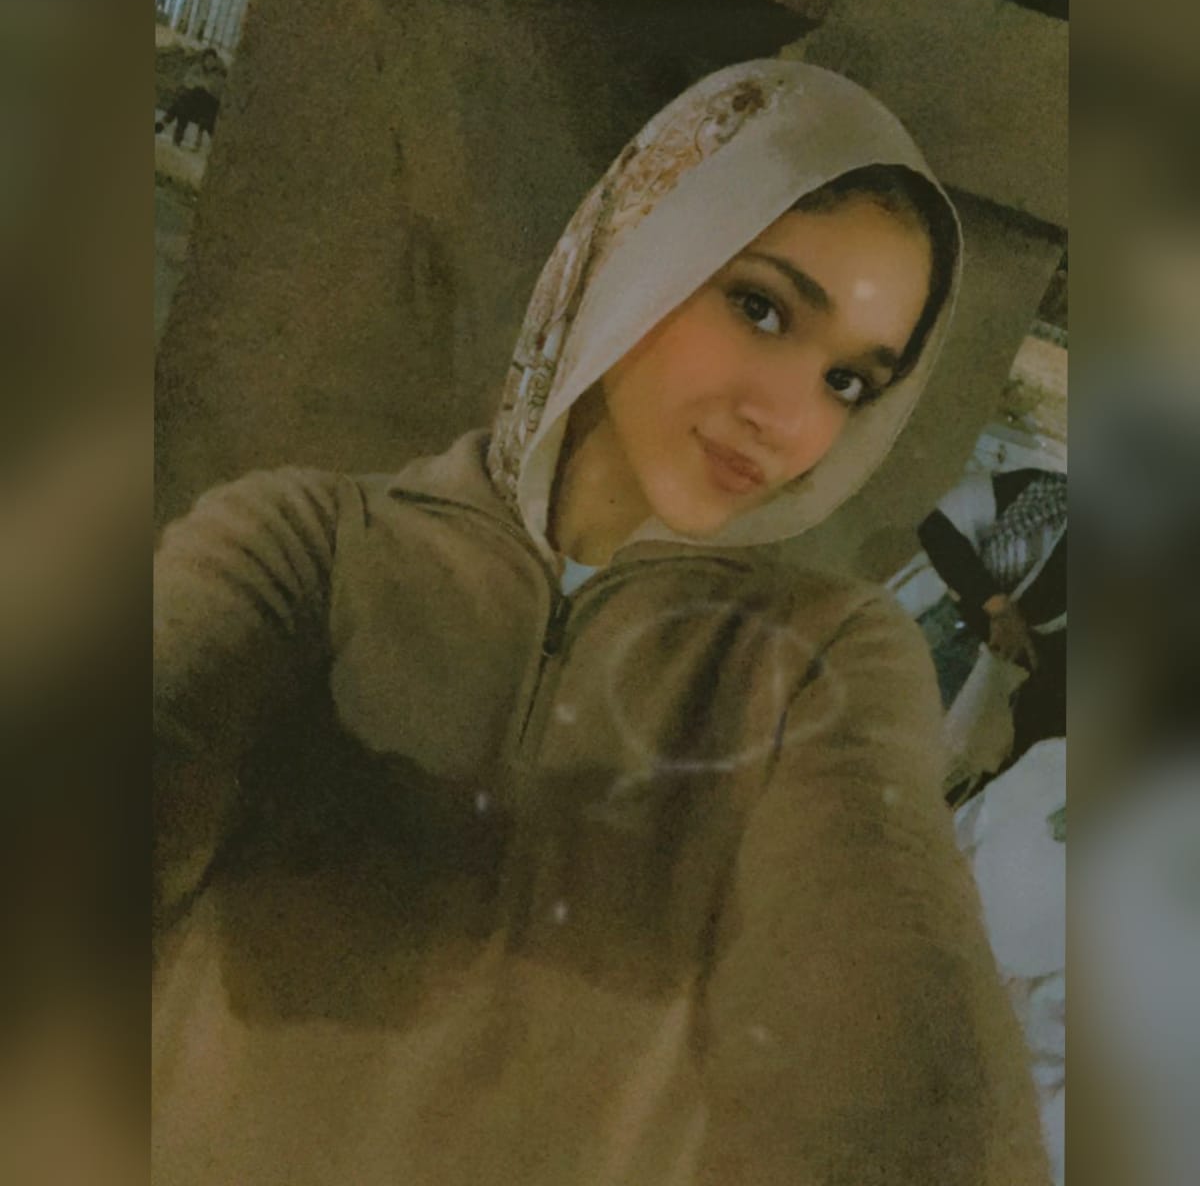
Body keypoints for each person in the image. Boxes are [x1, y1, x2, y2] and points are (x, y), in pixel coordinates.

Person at [154, 61, 1051, 1184]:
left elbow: (896, 990)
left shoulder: (816, 662)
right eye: (762, 307)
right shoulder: (305, 547)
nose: (785, 418)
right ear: (636, 245)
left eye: (849, 383)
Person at [918, 466, 1067, 766]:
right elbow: (935, 528)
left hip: (1005, 679)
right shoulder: (1045, 493)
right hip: (948, 633)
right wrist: (999, 607)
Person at [155, 47, 227, 149]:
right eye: (208, 60)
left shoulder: (215, 75)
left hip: (205, 107)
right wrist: (201, 84)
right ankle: (175, 137)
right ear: (204, 60)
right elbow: (187, 81)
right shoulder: (197, 68)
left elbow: (213, 90)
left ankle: (166, 120)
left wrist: (201, 85)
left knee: (185, 99)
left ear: (215, 62)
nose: (210, 63)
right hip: (192, 104)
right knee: (184, 104)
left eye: (212, 60)